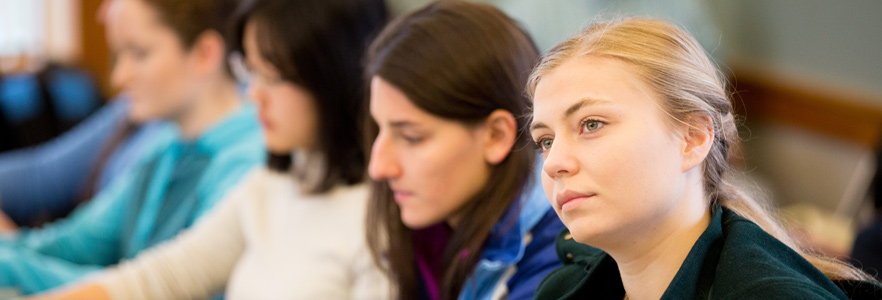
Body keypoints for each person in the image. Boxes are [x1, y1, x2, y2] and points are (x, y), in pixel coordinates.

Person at [31, 0, 390, 299]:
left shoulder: (376, 221)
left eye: (274, 77)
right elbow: (160, 277)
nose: (253, 95)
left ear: (332, 77)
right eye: (250, 72)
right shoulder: (271, 184)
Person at [527, 18, 882, 299]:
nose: (554, 162)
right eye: (544, 141)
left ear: (693, 138)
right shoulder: (561, 290)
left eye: (591, 124)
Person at [0, 0, 265, 295]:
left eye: (139, 53)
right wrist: (9, 252)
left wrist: (9, 264)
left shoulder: (246, 166)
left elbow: (153, 287)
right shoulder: (167, 142)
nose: (119, 77)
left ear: (205, 54)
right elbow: (79, 243)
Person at [365, 1, 564, 299]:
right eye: (379, 129)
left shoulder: (561, 265)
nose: (378, 167)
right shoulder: (430, 229)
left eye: (411, 137)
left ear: (496, 136)